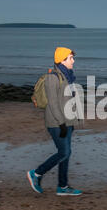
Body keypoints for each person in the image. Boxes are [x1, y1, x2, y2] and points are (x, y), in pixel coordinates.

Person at [27, 47, 83, 196]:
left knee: (66, 153)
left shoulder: (68, 76)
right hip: (57, 123)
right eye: (71, 58)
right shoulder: (53, 78)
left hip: (67, 122)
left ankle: (62, 187)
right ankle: (36, 173)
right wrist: (62, 123)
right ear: (62, 60)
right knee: (64, 152)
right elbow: (53, 104)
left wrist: (74, 120)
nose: (73, 60)